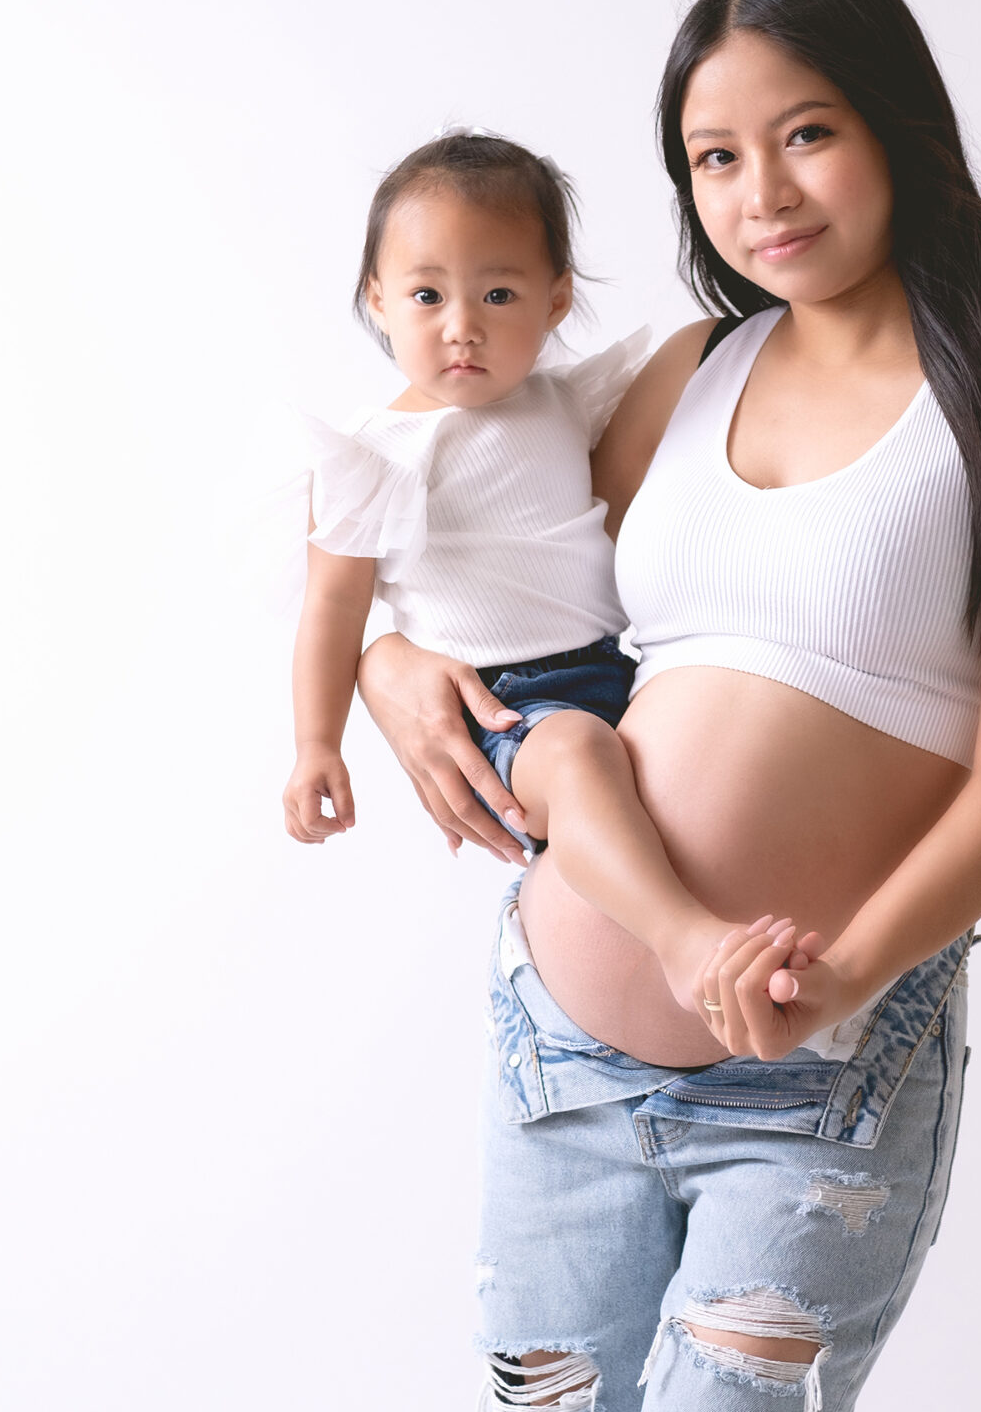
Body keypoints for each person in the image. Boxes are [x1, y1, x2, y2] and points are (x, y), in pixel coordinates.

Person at [357, 0, 981, 1412]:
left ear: (898, 133)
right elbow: (479, 565)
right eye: (710, 160)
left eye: (803, 134)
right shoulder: (681, 378)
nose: (760, 194)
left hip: (818, 1085)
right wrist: (387, 672)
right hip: (563, 1059)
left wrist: (841, 974)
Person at [282, 129, 780, 1016]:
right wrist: (318, 745)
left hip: (614, 668)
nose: (461, 326)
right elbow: (330, 610)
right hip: (502, 703)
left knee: (676, 775)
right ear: (378, 300)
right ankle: (682, 940)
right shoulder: (374, 456)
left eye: (498, 293)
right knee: (581, 758)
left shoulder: (564, 404)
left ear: (555, 303)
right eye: (426, 295)